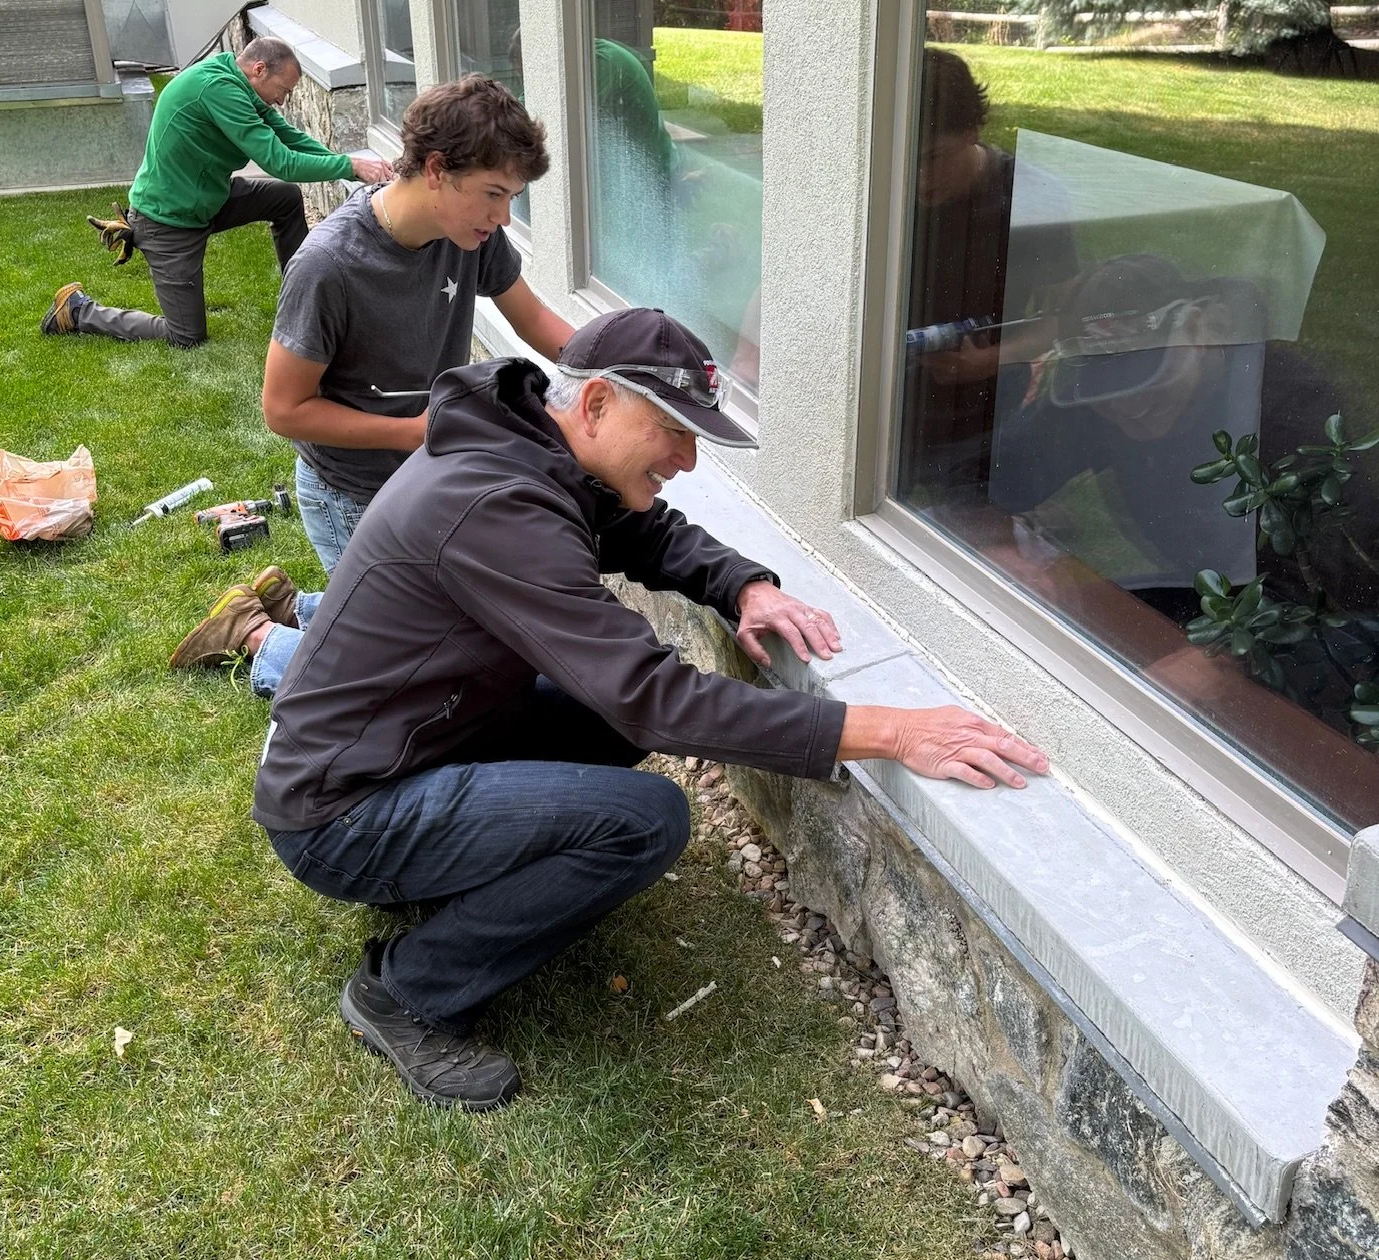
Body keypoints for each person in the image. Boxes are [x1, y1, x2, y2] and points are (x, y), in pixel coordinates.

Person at [254, 305, 1048, 1114]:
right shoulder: (493, 504)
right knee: (645, 819)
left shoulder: (530, 450)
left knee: (598, 721)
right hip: (343, 813)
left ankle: (454, 867)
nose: (689, 458)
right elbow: (652, 698)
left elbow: (645, 532)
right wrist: (893, 731)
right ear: (596, 404)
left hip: (415, 744)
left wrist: (743, 583)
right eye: (673, 428)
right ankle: (407, 993)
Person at [167, 73, 574, 691]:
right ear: (437, 169)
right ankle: (255, 635)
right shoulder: (330, 264)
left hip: (420, 474)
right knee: (402, 682)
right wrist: (412, 432)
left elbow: (535, 320)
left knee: (440, 630)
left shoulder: (469, 235)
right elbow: (282, 409)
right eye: (494, 193)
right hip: (348, 492)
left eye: (511, 197)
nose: (503, 216)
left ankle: (302, 607)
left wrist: (620, 361)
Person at [39, 35, 392, 349]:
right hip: (168, 222)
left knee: (284, 198)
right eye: (283, 91)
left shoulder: (239, 84)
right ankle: (79, 310)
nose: (282, 102)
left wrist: (350, 162)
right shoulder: (219, 90)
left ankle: (303, 295)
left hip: (209, 201)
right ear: (259, 69)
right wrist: (350, 167)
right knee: (185, 336)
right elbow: (280, 161)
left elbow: (289, 137)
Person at [899, 48, 1078, 504]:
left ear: (973, 132)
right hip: (888, 393)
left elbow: (1060, 319)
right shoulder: (883, 183)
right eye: (905, 159)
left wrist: (986, 361)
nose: (919, 177)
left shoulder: (1030, 197)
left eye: (934, 157)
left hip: (983, 403)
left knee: (964, 526)